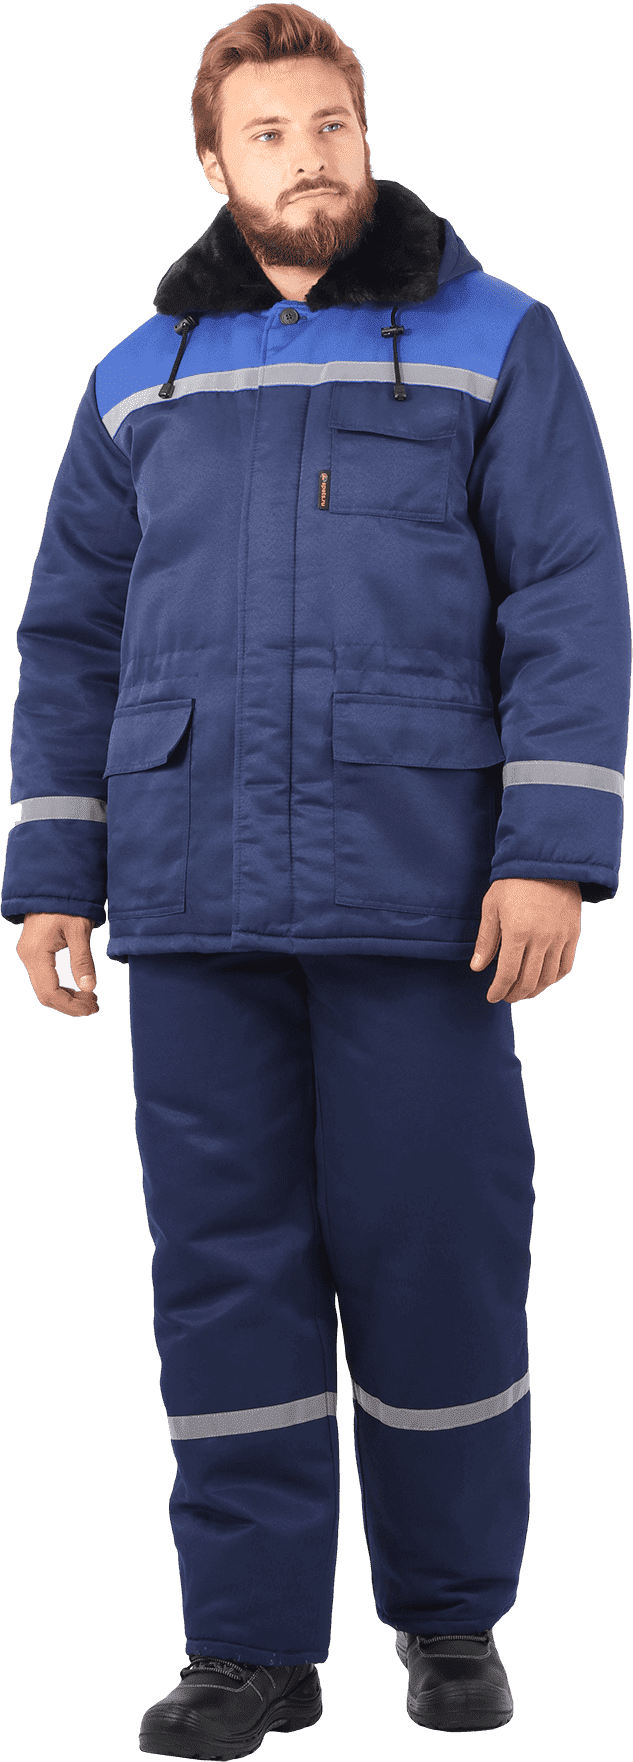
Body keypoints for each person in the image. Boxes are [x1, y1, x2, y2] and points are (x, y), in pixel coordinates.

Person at [2, 3, 630, 1752]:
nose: (309, 157)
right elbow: (69, 636)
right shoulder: (136, 376)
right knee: (224, 1272)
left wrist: (551, 853)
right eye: (270, 133)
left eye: (331, 124)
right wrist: (56, 871)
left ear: (366, 133)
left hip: (419, 893)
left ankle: (452, 1615)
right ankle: (250, 1650)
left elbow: (569, 599)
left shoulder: (496, 338)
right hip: (192, 892)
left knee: (437, 1254)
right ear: (215, 161)